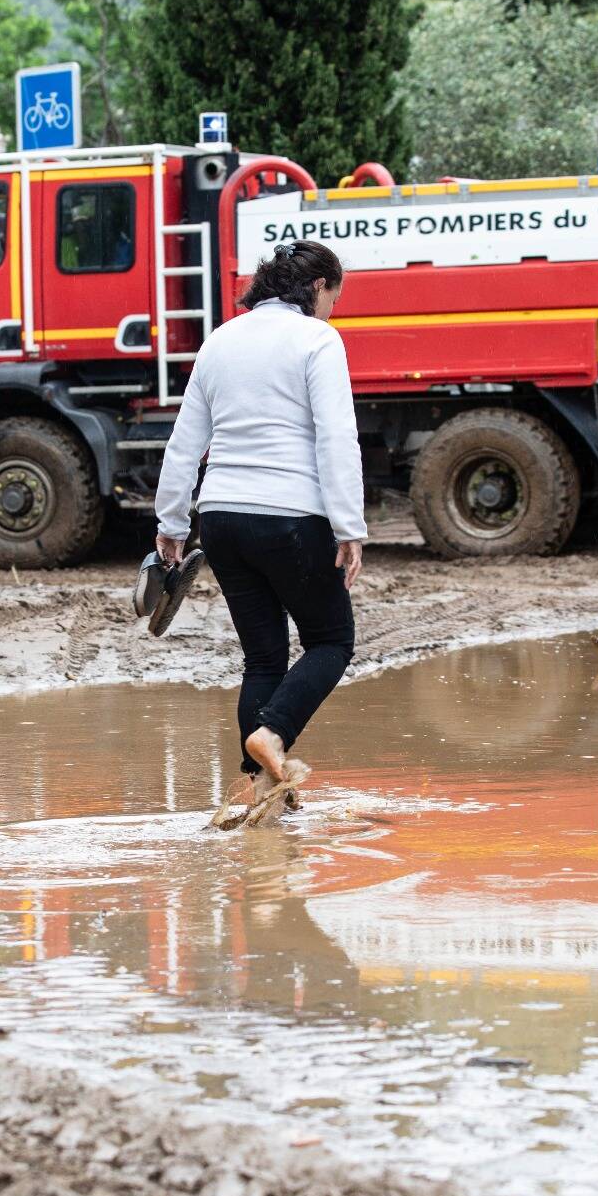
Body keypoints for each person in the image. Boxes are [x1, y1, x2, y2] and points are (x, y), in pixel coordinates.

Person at [154, 239, 364, 801]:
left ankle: (254, 793)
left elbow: (184, 443)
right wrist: (350, 527)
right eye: (333, 298)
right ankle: (272, 735)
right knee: (331, 640)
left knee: (264, 656)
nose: (332, 311)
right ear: (318, 287)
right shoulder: (318, 339)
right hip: (291, 516)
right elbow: (336, 436)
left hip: (220, 518)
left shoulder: (220, 340)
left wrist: (172, 524)